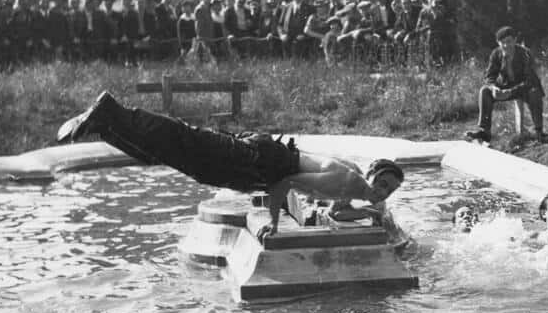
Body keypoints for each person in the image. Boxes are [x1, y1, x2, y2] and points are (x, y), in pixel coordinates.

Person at [56, 90, 404, 236]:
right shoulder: (350, 182)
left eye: (389, 190)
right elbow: (285, 183)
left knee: (180, 158)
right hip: (259, 162)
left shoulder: (354, 180)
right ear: (372, 174)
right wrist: (273, 224)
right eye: (383, 183)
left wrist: (372, 213)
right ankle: (112, 111)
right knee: (187, 141)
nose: (383, 192)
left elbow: (338, 211)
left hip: (262, 161)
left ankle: (106, 127)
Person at [466, 26, 546, 144]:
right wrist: (493, 87)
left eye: (509, 41)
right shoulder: (496, 54)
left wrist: (511, 92)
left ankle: (538, 131)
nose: (506, 45)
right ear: (498, 43)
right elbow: (490, 76)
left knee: (534, 93)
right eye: (502, 43)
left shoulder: (525, 53)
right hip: (507, 85)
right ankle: (484, 131)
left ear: (515, 40)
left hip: (525, 86)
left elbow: (530, 80)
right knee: (485, 91)